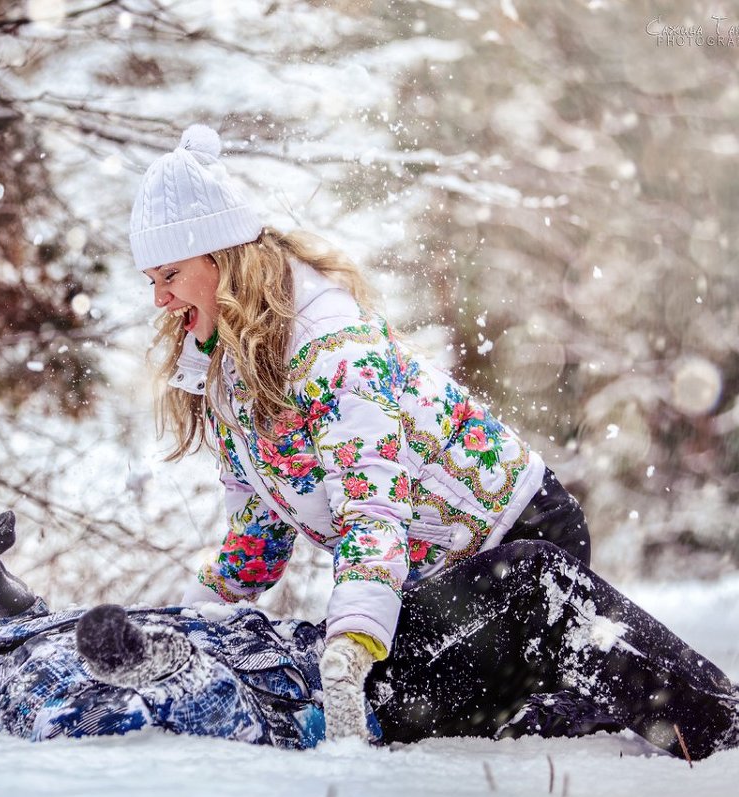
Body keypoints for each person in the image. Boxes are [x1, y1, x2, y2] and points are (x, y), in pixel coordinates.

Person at [131, 124, 593, 737]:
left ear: (220, 260)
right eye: (152, 282)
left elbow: (372, 509)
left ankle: (583, 696)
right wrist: (196, 620)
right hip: (428, 570)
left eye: (170, 275)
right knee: (409, 699)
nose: (161, 298)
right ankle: (550, 696)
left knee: (405, 708)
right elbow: (260, 521)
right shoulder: (234, 371)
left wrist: (352, 640)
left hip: (515, 542)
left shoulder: (333, 352)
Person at [0, 512, 739, 759]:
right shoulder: (29, 710)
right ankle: (730, 729)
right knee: (537, 582)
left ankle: (665, 720)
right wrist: (152, 664)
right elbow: (202, 730)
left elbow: (34, 630)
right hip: (349, 696)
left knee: (536, 602)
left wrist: (0, 587)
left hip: (325, 645)